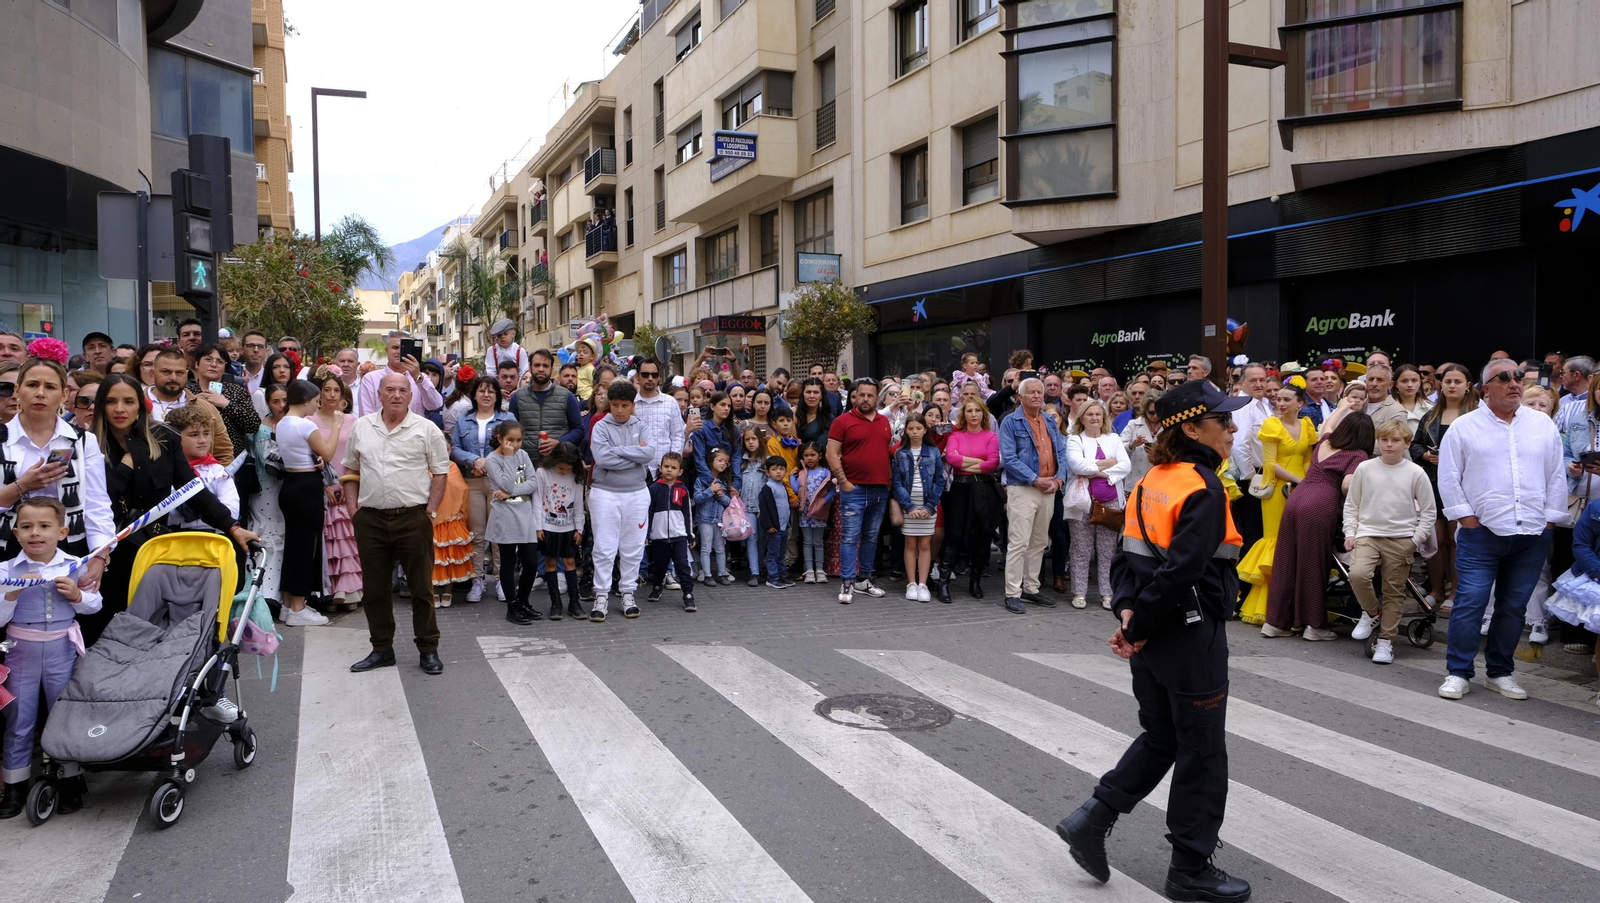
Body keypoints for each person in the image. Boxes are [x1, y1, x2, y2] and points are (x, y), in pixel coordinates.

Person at [1056, 379, 1251, 903]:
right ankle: (1190, 869)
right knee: (1203, 752)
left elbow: (1127, 559)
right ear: (1191, 428)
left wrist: (1129, 617)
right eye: (1222, 420)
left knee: (1164, 737)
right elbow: (1183, 571)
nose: (1232, 429)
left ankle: (1092, 820)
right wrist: (1135, 625)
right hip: (1189, 637)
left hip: (1155, 634)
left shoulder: (1151, 479)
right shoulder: (1203, 488)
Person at [86, 374, 257, 646]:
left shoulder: (164, 438)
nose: (120, 409)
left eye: (128, 401)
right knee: (102, 624)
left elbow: (193, 490)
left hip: (149, 550)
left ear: (140, 406)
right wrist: (126, 467)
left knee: (145, 626)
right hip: (102, 551)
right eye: (111, 401)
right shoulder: (86, 444)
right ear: (100, 406)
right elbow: (98, 499)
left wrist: (232, 526)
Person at [1436, 358, 1567, 701]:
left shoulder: (1542, 424)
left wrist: (1549, 520)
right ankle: (1458, 672)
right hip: (1482, 533)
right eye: (1504, 377)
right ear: (1484, 388)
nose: (1514, 382)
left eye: (1518, 376)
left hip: (1532, 533)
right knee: (1471, 603)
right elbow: (1448, 478)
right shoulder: (1464, 427)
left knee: (1513, 607)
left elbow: (1555, 475)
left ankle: (1500, 672)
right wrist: (1467, 519)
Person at [342, 372, 452, 675]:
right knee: (375, 590)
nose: (396, 395)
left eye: (402, 390)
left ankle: (428, 649)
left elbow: (440, 472)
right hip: (371, 520)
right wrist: (354, 511)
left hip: (413, 518)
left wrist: (430, 512)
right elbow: (350, 469)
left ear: (411, 395)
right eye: (389, 389)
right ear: (378, 394)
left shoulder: (426, 429)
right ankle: (381, 649)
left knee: (421, 588)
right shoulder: (362, 427)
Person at [0, 497, 103, 818]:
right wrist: (11, 594)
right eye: (27, 527)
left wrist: (77, 596)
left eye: (44, 526)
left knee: (64, 718)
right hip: (20, 654)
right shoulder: (5, 570)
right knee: (19, 720)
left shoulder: (75, 564)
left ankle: (70, 781)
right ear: (15, 534)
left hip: (62, 651)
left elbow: (96, 604)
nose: (35, 533)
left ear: (62, 532)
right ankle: (14, 789)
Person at [0, 358, 115, 580]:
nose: (40, 393)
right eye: (32, 385)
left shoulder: (83, 441)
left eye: (50, 387)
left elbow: (96, 504)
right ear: (17, 389)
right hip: (8, 547)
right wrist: (22, 486)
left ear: (64, 395)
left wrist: (99, 555)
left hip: (69, 548)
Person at [1259, 412, 1372, 640]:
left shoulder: (1326, 440)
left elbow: (1329, 423)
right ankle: (1313, 625)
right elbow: (1348, 486)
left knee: (1286, 560)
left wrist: (1344, 405)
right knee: (1313, 564)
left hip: (1296, 499)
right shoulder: (1357, 454)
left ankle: (1275, 623)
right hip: (1321, 503)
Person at [1344, 419, 1436, 663]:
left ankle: (1386, 641)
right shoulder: (1365, 468)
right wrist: (1350, 532)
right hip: (1368, 534)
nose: (1389, 445)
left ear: (1406, 443)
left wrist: (1414, 540)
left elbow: (1429, 511)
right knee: (1358, 574)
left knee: (1393, 592)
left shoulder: (1415, 472)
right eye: (1384, 439)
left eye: (1395, 440)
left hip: (1401, 537)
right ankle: (1372, 612)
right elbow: (1352, 504)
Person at [1237, 386, 1316, 625]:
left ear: (1299, 403)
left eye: (1286, 399)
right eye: (1278, 399)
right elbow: (1270, 464)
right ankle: (1268, 605)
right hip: (1276, 489)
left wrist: (1307, 482)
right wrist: (1300, 481)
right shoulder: (1272, 425)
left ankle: (1295, 604)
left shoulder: (1307, 425)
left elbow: (1308, 459)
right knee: (1276, 539)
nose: (1280, 403)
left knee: (1296, 540)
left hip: (1301, 487)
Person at [1411, 363, 1478, 612]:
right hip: (1432, 483)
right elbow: (1415, 445)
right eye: (1447, 381)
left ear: (1468, 386)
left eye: (1457, 381)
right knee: (1435, 541)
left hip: (1463, 486)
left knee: (1455, 539)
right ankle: (1436, 590)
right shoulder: (1430, 415)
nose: (1451, 385)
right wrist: (1426, 456)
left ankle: (1455, 591)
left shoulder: (1476, 417)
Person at [997, 378, 1067, 614]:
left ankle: (1031, 587)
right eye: (1032, 393)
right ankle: (1012, 592)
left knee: (1039, 542)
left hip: (1049, 488)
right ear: (1021, 396)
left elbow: (1062, 453)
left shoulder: (1049, 420)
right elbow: (1009, 458)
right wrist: (1036, 479)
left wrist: (1058, 480)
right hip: (1024, 488)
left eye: (1040, 392)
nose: (1037, 396)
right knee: (1019, 542)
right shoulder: (1010, 421)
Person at [587, 380, 652, 621]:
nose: (620, 410)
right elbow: (602, 459)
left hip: (636, 493)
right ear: (609, 404)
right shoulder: (600, 427)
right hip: (605, 493)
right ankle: (601, 595)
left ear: (632, 405)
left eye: (625, 405)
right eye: (615, 405)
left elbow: (650, 453)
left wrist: (619, 450)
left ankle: (628, 592)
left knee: (632, 548)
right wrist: (633, 452)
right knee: (604, 547)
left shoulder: (642, 426)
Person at [274, 380, 336, 624]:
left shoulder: (282, 424)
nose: (318, 404)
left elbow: (307, 454)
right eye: (316, 399)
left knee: (293, 546)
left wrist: (318, 460)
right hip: (306, 487)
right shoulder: (305, 424)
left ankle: (289, 604)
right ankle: (298, 608)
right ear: (305, 400)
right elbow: (328, 453)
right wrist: (339, 425)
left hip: (290, 485)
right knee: (305, 548)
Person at [827, 379, 894, 604]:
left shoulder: (885, 422)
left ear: (877, 398)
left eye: (870, 395)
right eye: (861, 395)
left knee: (871, 537)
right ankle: (847, 583)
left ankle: (863, 580)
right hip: (853, 489)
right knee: (849, 537)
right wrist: (844, 482)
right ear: (855, 396)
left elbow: (886, 452)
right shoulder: (842, 421)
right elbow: (831, 453)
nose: (865, 399)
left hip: (880, 489)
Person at [451, 376, 515, 602]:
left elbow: (513, 445)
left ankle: (500, 580)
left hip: (499, 483)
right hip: (472, 482)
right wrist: (473, 461)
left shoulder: (507, 418)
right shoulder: (463, 419)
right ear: (474, 394)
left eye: (491, 391)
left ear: (498, 395)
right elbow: (454, 450)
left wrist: (489, 462)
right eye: (482, 390)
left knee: (499, 534)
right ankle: (478, 580)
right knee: (476, 534)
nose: (486, 395)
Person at [1065, 399, 1132, 611]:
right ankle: (1079, 592)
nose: (1094, 418)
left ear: (1103, 417)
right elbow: (1076, 464)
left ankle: (1107, 593)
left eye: (1098, 414)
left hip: (1110, 501)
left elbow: (1126, 466)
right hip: (1082, 502)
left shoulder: (1113, 438)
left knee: (1107, 549)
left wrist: (1096, 472)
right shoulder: (1075, 439)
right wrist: (1107, 466)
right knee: (1081, 549)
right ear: (1082, 418)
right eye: (1089, 414)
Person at [482, 421, 542, 625]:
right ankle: (512, 605)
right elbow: (505, 483)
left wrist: (510, 492)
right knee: (508, 563)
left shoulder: (523, 455)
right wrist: (508, 458)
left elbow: (533, 482)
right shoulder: (492, 459)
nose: (515, 445)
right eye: (510, 440)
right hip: (505, 515)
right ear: (500, 438)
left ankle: (524, 601)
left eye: (519, 440)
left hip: (524, 512)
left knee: (531, 562)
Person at [310, 373, 362, 611]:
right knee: (328, 541)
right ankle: (328, 593)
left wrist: (347, 484)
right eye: (327, 390)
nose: (331, 395)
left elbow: (359, 455)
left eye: (336, 391)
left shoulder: (353, 421)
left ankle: (350, 592)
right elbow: (307, 456)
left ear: (343, 395)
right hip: (321, 486)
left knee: (348, 540)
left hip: (348, 485)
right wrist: (325, 485)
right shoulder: (309, 420)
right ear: (320, 393)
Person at [145, 348, 233, 464]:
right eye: (166, 372)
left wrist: (217, 479)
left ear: (186, 374)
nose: (173, 378)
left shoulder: (206, 408)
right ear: (153, 373)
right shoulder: (136, 405)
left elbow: (224, 452)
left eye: (179, 373)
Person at [251, 383, 293, 619]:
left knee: (281, 541)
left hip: (282, 490)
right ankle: (265, 596)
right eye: (275, 401)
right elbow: (273, 464)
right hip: (267, 489)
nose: (281, 406)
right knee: (270, 542)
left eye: (284, 400)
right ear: (268, 403)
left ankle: (276, 594)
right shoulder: (264, 429)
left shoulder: (289, 423)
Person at [892, 412, 944, 602]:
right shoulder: (901, 453)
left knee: (924, 544)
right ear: (905, 430)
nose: (914, 432)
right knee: (910, 544)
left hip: (927, 505)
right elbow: (896, 484)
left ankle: (923, 584)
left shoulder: (933, 451)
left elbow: (940, 480)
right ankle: (911, 583)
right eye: (911, 428)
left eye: (918, 428)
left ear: (925, 429)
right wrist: (909, 506)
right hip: (909, 506)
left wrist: (930, 506)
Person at [166, 405, 240, 530]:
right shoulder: (164, 470)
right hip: (173, 537)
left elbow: (232, 512)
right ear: (175, 437)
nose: (202, 440)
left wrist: (199, 511)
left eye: (206, 434)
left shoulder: (217, 471)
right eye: (194, 435)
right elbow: (162, 515)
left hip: (213, 538)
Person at [509, 348, 585, 468]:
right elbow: (510, 432)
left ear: (552, 369)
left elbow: (579, 430)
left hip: (558, 465)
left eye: (545, 365)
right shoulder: (517, 398)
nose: (541, 369)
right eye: (537, 365)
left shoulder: (566, 396)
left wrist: (559, 442)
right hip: (524, 465)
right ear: (530, 367)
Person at [191, 342, 260, 465]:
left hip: (233, 461)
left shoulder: (236, 391)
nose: (213, 364)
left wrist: (227, 405)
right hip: (195, 460)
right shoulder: (188, 393)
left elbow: (253, 424)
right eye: (208, 359)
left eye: (219, 362)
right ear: (197, 363)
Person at [646, 451, 696, 611]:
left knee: (682, 565)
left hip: (679, 535)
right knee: (659, 565)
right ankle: (657, 586)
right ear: (660, 468)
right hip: (659, 536)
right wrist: (647, 534)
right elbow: (648, 513)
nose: (669, 470)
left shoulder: (682, 490)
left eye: (673, 467)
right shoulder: (653, 488)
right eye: (666, 466)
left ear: (680, 471)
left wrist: (690, 535)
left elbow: (688, 514)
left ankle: (688, 594)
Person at [358, 332, 442, 421]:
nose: (399, 352)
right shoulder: (371, 379)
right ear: (387, 350)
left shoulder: (420, 378)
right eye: (395, 347)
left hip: (414, 432)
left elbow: (435, 405)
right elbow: (366, 416)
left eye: (403, 348)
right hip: (381, 433)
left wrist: (418, 378)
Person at [792, 442, 833, 585]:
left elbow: (832, 489)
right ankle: (809, 570)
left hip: (819, 512)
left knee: (818, 542)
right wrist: (792, 476)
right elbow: (797, 489)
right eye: (806, 455)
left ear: (820, 455)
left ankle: (820, 570)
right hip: (805, 513)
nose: (809, 458)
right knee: (807, 542)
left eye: (813, 455)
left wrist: (824, 501)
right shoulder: (803, 473)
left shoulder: (825, 473)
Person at [694, 446, 734, 585]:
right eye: (720, 460)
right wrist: (710, 490)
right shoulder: (701, 480)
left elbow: (728, 502)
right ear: (711, 461)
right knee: (705, 547)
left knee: (720, 547)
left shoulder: (724, 481)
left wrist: (721, 495)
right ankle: (707, 575)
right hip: (705, 519)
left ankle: (722, 573)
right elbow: (697, 498)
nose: (723, 463)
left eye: (726, 462)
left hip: (719, 519)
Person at [756, 454, 796, 590]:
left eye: (781, 469)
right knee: (773, 554)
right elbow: (764, 509)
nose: (778, 472)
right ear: (768, 472)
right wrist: (768, 526)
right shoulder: (768, 488)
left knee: (781, 552)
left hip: (784, 527)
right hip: (774, 527)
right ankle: (772, 577)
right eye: (774, 469)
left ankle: (782, 574)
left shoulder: (782, 486)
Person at [738, 426, 769, 585]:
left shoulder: (765, 462)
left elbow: (768, 487)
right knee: (751, 538)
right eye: (747, 439)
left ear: (759, 440)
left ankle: (761, 566)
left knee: (762, 539)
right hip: (746, 507)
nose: (750, 442)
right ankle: (754, 572)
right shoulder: (741, 462)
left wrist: (764, 507)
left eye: (754, 439)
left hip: (760, 507)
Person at [1121, 394, 1162, 487]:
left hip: (1160, 479)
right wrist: (1132, 445)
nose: (1155, 416)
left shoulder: (1168, 426)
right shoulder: (1133, 424)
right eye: (1151, 412)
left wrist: (1159, 452)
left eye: (1158, 412)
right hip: (1135, 480)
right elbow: (1118, 447)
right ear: (1145, 411)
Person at [251, 351, 296, 418]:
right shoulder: (260, 394)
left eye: (286, 367)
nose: (282, 370)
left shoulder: (295, 393)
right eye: (276, 367)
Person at [1392, 364, 1433, 435]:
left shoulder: (1431, 408)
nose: (1410, 385)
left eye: (1414, 380)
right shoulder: (1388, 408)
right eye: (1404, 381)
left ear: (1420, 383)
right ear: (1396, 384)